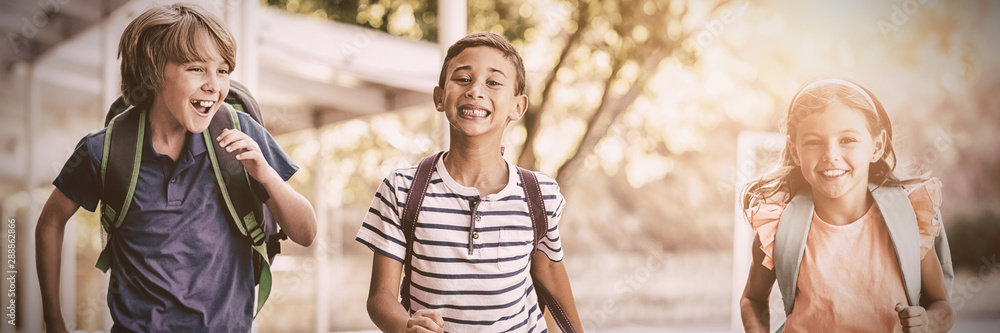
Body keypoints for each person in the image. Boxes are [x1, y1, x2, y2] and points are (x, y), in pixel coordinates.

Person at [35, 3, 317, 332]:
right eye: (196, 68)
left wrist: (266, 175)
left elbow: (307, 233)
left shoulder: (242, 136)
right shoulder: (104, 150)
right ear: (153, 71)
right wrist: (53, 321)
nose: (214, 85)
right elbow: (50, 221)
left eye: (223, 70)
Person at [356, 32, 583, 332]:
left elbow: (551, 275)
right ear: (440, 97)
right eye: (462, 78)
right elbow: (380, 297)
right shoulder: (401, 189)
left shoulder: (540, 195)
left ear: (518, 106)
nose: (475, 90)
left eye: (493, 82)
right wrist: (405, 326)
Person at [739, 78, 954, 332]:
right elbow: (752, 299)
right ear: (795, 151)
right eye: (813, 142)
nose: (831, 154)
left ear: (876, 146)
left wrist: (928, 323)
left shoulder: (909, 218)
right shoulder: (778, 227)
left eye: (848, 140)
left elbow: (942, 305)